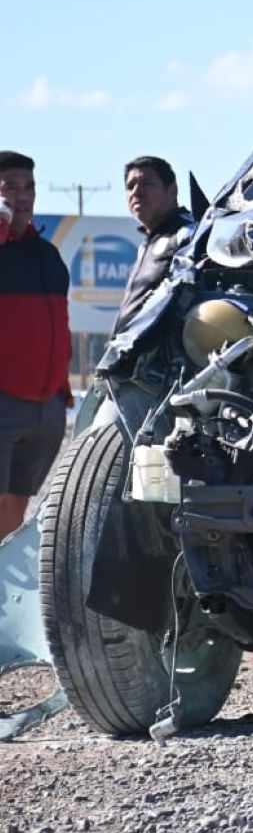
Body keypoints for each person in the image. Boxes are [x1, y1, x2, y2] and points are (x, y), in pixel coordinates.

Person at [0, 150, 72, 542]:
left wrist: (60, 391)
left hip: (46, 408)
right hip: (3, 402)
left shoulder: (47, 254)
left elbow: (59, 325)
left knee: (16, 507)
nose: (22, 196)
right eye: (9, 187)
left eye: (28, 186)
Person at [115, 155, 194, 334]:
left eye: (146, 184)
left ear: (172, 191)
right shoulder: (146, 245)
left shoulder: (189, 234)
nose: (136, 192)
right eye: (130, 186)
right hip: (130, 356)